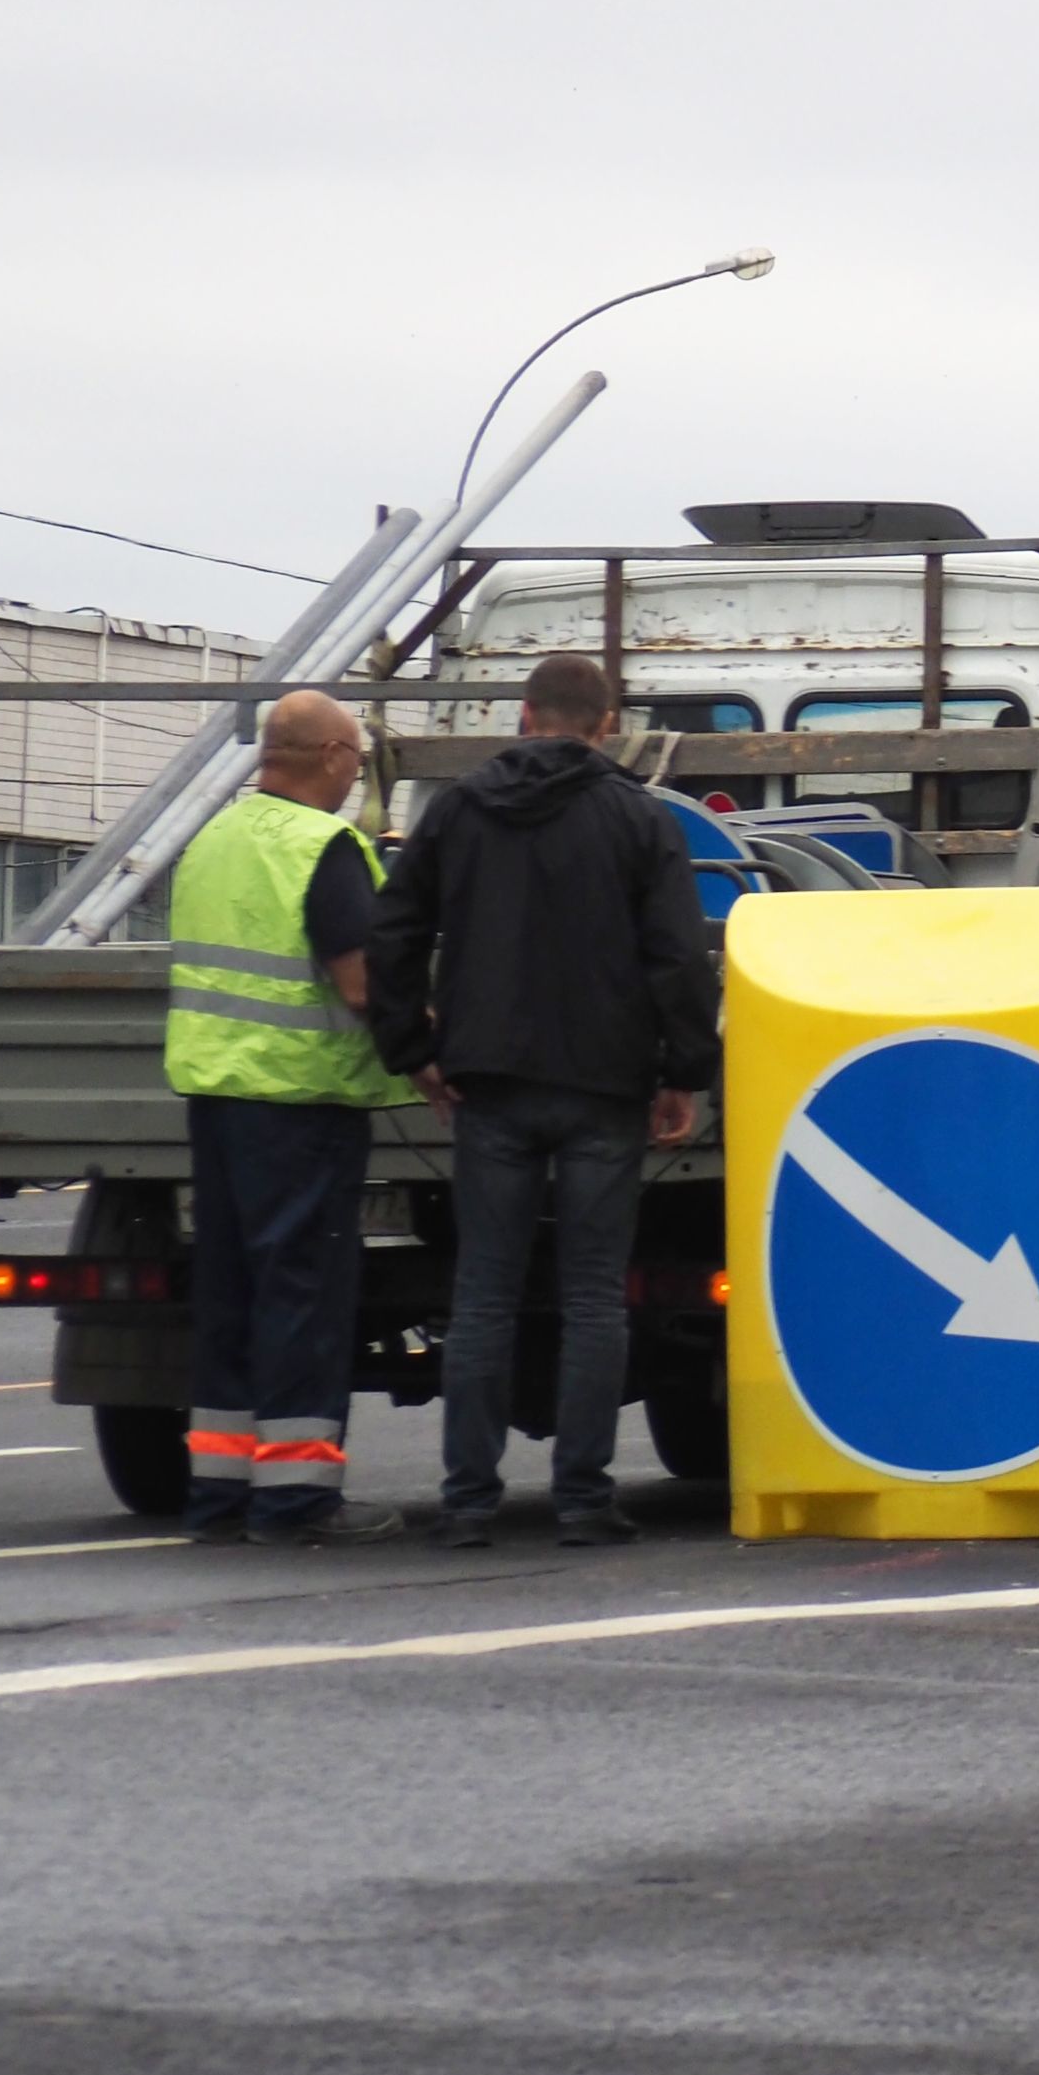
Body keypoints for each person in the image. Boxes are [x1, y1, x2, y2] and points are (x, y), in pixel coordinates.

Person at [365, 650, 718, 1549]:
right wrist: (685, 1073)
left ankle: (470, 1502)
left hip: (489, 1082)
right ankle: (583, 1499)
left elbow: (396, 930)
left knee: (483, 1294)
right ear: (607, 725)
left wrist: (413, 1048)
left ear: (523, 715)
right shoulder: (638, 820)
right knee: (595, 1296)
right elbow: (676, 955)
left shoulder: (459, 812)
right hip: (605, 1085)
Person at [159, 689, 412, 1546]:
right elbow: (359, 984)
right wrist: (433, 1049)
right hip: (299, 1103)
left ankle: (219, 1495)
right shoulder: (323, 847)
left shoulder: (213, 837)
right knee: (300, 1295)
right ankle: (297, 1500)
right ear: (335, 757)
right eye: (357, 758)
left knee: (229, 1293)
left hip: (217, 1097)